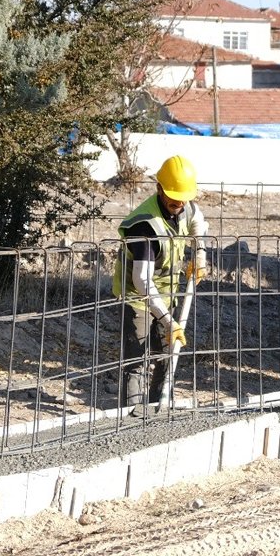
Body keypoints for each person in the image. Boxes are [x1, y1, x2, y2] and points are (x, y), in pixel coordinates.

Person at [112, 154, 208, 411]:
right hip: (138, 298)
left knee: (168, 354)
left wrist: (200, 254)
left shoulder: (185, 205)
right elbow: (141, 280)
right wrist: (168, 321)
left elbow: (198, 219)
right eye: (172, 196)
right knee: (136, 361)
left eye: (183, 198)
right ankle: (131, 415)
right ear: (158, 188)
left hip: (167, 294)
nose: (178, 203)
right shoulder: (144, 226)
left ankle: (158, 408)